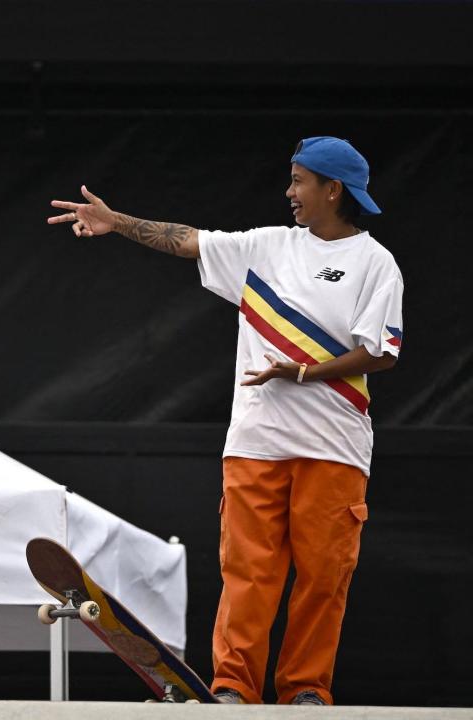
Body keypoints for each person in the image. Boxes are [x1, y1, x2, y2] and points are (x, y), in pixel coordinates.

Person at [47, 136, 403, 705]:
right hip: (256, 442)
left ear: (332, 190)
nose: (289, 192)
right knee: (248, 575)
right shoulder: (266, 247)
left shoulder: (375, 262)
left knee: (322, 581)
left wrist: (304, 372)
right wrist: (116, 221)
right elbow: (187, 239)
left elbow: (383, 352)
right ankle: (234, 689)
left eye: (298, 181)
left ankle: (306, 692)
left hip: (335, 448)